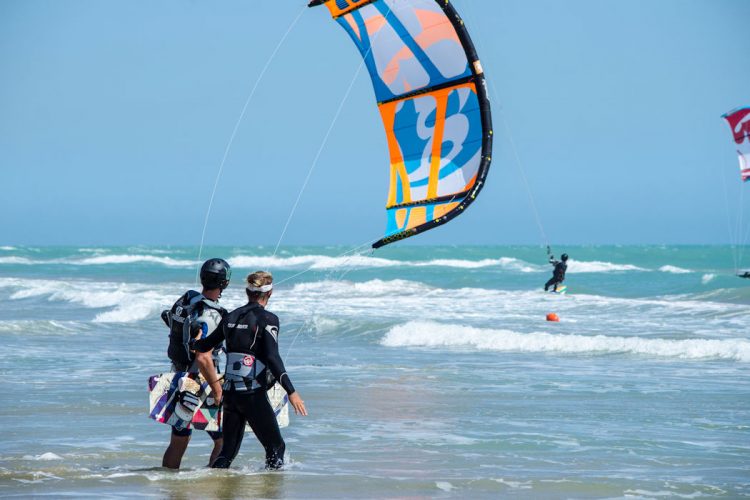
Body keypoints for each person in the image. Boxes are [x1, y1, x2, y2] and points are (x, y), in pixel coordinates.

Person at [193, 270, 307, 470]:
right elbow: (272, 358)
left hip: (230, 395)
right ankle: (271, 491)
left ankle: (216, 488)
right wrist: (292, 392)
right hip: (253, 397)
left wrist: (193, 339)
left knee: (227, 453)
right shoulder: (269, 319)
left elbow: (203, 346)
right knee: (276, 448)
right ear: (270, 293)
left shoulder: (230, 317)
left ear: (248, 291)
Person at [160, 258, 231, 470]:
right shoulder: (212, 316)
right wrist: (218, 389)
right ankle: (215, 485)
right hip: (200, 383)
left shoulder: (188, 300)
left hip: (179, 377)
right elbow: (203, 357)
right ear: (224, 283)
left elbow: (170, 320)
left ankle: (169, 486)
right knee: (224, 439)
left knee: (179, 440)